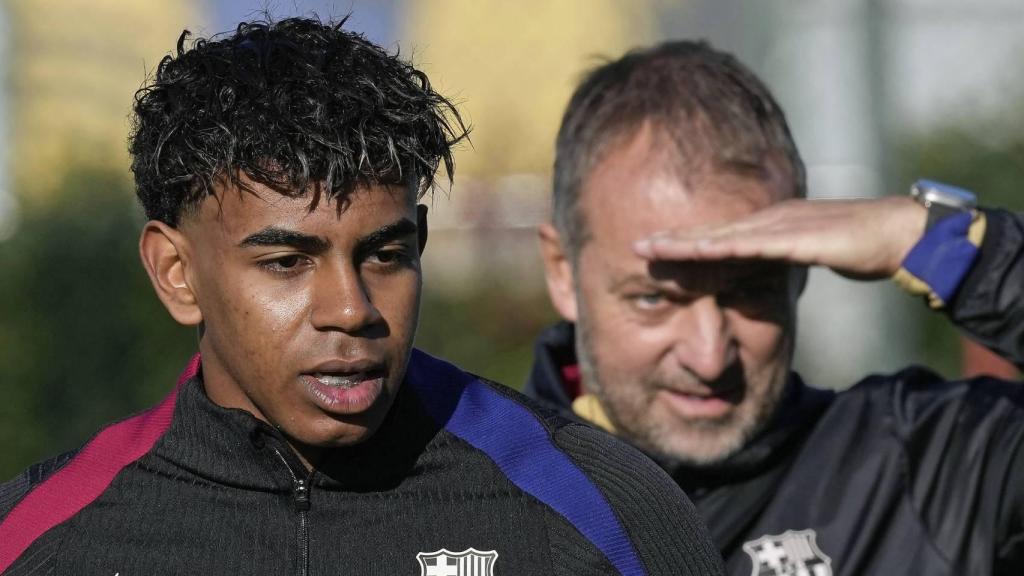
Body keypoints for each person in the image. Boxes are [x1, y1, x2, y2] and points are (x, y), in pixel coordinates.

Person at [0, 19, 725, 576]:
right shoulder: (43, 539)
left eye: (386, 254)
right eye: (286, 261)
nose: (351, 309)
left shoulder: (599, 508)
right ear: (175, 273)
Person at [527, 39, 1024, 575]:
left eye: (751, 292)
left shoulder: (935, 468)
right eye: (654, 299)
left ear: (801, 268)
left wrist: (947, 248)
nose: (710, 358)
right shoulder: (463, 494)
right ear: (562, 271)